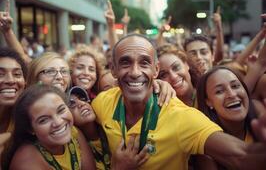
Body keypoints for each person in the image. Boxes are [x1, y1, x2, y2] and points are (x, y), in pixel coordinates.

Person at [92, 33, 266, 170]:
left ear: (155, 69)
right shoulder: (102, 103)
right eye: (125, 63)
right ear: (113, 69)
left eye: (144, 63)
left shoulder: (181, 116)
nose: (135, 72)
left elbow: (240, 156)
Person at [7, 84, 96, 170]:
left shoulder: (74, 132)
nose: (58, 122)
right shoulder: (26, 163)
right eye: (44, 120)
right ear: (30, 129)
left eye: (61, 110)